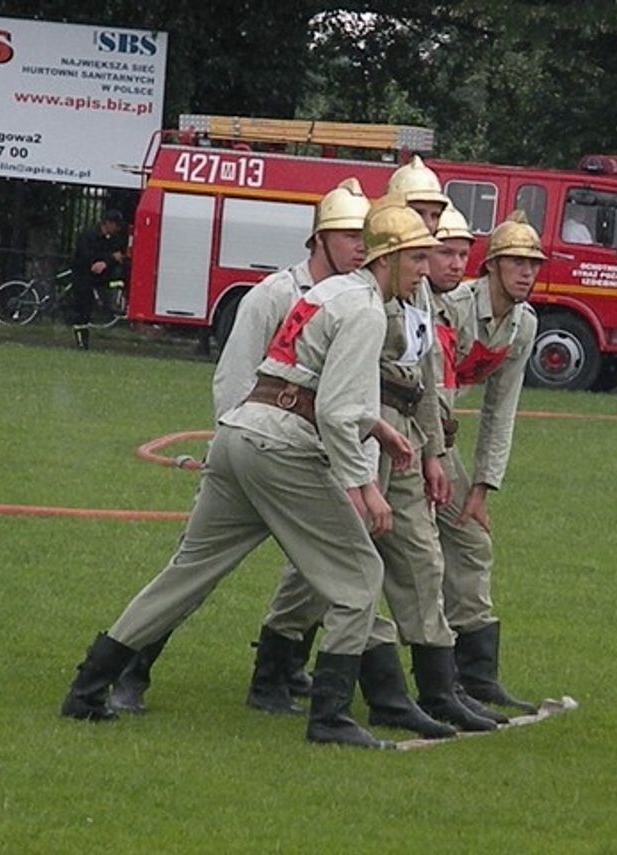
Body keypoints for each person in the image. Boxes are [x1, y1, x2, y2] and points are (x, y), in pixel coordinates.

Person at [59, 199, 440, 750]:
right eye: (418, 258)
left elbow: (305, 378)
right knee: (359, 577)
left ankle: (88, 686)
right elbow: (332, 409)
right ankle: (330, 717)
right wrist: (364, 488)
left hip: (239, 436)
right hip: (280, 448)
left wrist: (376, 428)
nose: (425, 270)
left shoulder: (332, 293)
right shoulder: (366, 310)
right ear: (389, 258)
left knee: (186, 572)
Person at [249, 158, 506, 734]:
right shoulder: (363, 284)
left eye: (436, 214)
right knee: (341, 561)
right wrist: (362, 469)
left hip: (405, 435)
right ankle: (281, 664)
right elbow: (342, 381)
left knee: (420, 556)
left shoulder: (415, 283)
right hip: (358, 430)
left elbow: (430, 370)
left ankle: (437, 689)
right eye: (420, 213)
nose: (430, 225)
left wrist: (436, 449)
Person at [105, 177, 378, 715]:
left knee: (318, 573)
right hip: (257, 451)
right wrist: (231, 452)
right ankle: (128, 672)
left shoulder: (357, 301)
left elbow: (354, 398)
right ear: (317, 240)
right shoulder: (274, 295)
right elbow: (234, 381)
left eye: (364, 236)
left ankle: (278, 675)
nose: (359, 246)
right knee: (196, 569)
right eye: (347, 235)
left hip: (308, 462)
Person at [429, 209, 542, 714]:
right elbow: (429, 382)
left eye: (533, 264)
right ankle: (287, 653)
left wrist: (481, 488)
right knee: (367, 547)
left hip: (440, 440)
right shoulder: (452, 307)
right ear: (491, 266)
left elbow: (501, 410)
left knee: (471, 541)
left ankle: (476, 675)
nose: (526, 273)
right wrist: (434, 452)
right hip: (411, 432)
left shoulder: (523, 325)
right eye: (516, 262)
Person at [69, 209, 126, 349]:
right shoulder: (88, 236)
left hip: (97, 278)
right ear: (108, 223)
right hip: (82, 277)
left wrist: (106, 261)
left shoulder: (111, 239)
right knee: (82, 310)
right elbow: (85, 256)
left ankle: (84, 340)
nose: (118, 229)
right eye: (116, 225)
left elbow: (118, 256)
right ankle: (81, 342)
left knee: (88, 309)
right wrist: (107, 259)